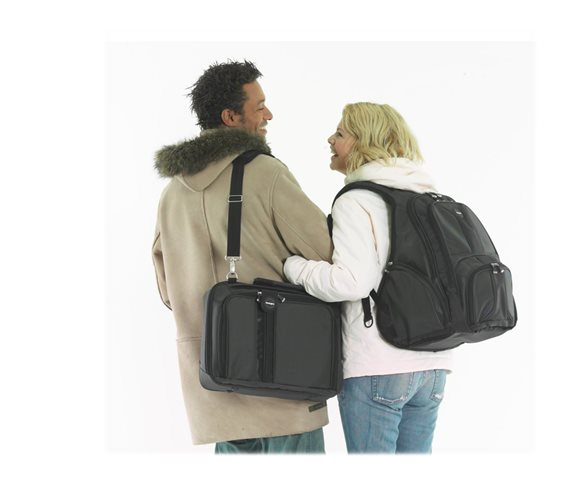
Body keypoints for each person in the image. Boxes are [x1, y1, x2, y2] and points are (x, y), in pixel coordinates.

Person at [152, 60, 333, 453]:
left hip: (214, 385)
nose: (269, 115)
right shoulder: (264, 173)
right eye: (260, 106)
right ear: (230, 117)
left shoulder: (172, 193)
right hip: (281, 379)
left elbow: (167, 289)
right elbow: (326, 251)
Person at [284, 102, 454, 454]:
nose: (330, 139)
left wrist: (294, 267)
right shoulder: (426, 195)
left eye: (340, 133)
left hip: (379, 363)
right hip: (434, 365)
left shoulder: (358, 199)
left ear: (364, 141)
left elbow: (351, 282)